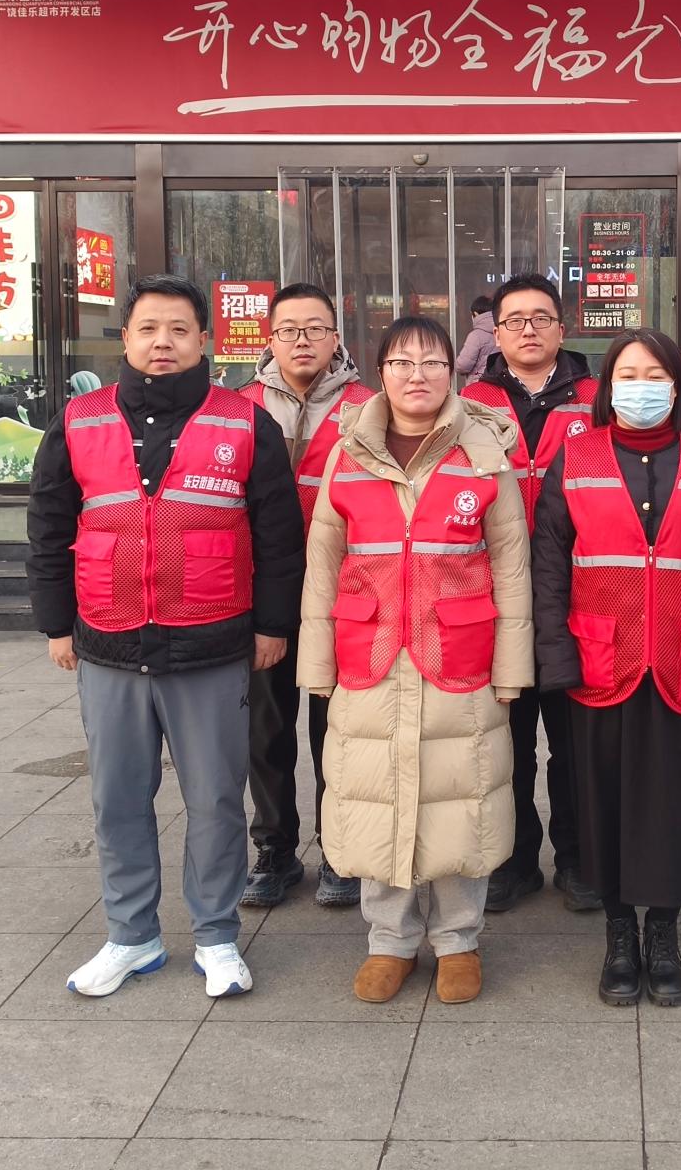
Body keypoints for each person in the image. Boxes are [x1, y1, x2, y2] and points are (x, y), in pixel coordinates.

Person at [26, 274, 303, 1000]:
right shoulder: (79, 421)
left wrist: (273, 624)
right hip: (108, 641)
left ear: (204, 340)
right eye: (148, 328)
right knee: (118, 798)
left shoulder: (245, 424)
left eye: (179, 329)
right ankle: (131, 936)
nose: (163, 342)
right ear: (125, 338)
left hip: (211, 643)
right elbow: (49, 526)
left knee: (216, 798)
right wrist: (56, 623)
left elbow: (279, 537)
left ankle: (216, 936)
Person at [298, 316, 532, 1006]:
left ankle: (458, 939)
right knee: (377, 795)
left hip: (458, 653)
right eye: (401, 362)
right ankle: (390, 941)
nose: (417, 375)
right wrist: (316, 665)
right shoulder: (349, 450)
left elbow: (512, 564)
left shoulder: (484, 450)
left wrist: (512, 667)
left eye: (432, 362)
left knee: (460, 797)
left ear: (452, 371)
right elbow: (323, 563)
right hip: (368, 652)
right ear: (381, 373)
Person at [533, 329, 681, 1008]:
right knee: (601, 801)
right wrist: (555, 657)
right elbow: (549, 569)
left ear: (677, 385)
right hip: (599, 660)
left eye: (654, 376)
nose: (641, 389)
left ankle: (662, 931)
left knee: (672, 803)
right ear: (608, 388)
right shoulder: (577, 457)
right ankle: (617, 933)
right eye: (627, 376)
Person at [460, 272, 601, 914]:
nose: (528, 329)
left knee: (576, 742)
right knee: (504, 741)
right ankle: (513, 862)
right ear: (497, 333)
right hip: (497, 596)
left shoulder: (597, 396)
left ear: (561, 328)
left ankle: (577, 858)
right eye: (514, 319)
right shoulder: (471, 401)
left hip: (580, 590)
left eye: (541, 317)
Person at [237, 283, 374, 911]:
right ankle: (275, 847)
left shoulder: (368, 406)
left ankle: (340, 850)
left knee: (337, 728)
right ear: (270, 338)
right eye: (289, 329)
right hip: (261, 590)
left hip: (344, 592)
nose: (302, 340)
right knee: (264, 727)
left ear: (335, 337)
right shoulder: (237, 408)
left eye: (315, 328)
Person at [456, 295, 498, 379]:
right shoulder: (503, 331)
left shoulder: (476, 336)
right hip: (499, 382)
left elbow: (462, 366)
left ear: (475, 314)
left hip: (479, 383)